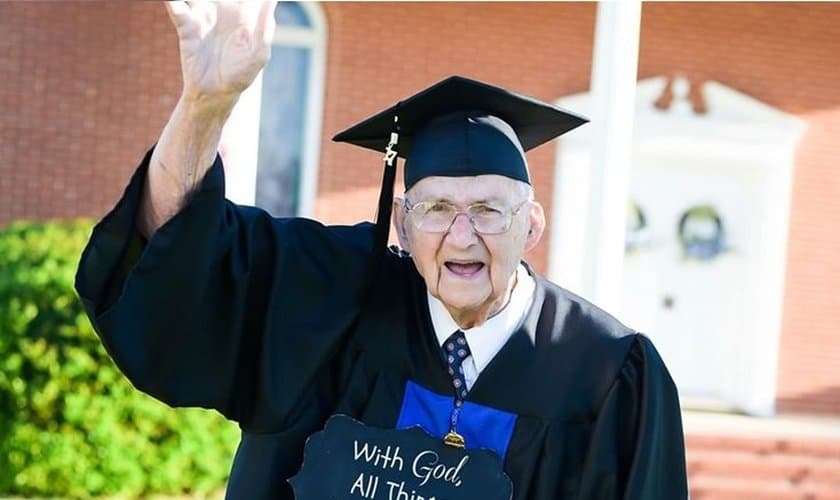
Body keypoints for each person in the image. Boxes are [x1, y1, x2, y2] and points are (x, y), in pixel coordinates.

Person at [75, 3, 688, 499]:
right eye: (437, 210)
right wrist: (204, 108)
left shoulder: (608, 373)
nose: (462, 234)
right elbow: (182, 261)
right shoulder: (330, 301)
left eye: (488, 211)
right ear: (400, 222)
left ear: (532, 225)